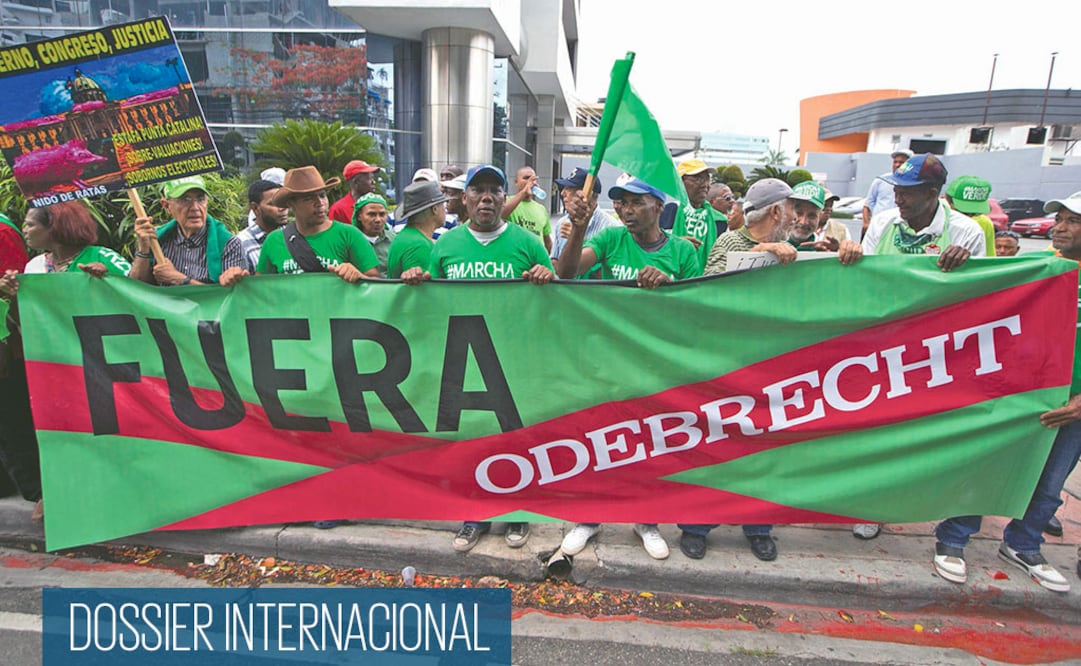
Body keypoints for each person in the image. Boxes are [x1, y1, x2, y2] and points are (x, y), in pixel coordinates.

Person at [400, 164, 553, 553]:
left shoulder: (528, 243)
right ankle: (475, 516)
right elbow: (431, 298)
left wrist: (544, 277)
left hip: (515, 359)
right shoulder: (445, 246)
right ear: (464, 199)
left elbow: (555, 300)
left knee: (517, 437)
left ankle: (518, 512)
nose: (486, 198)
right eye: (478, 190)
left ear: (505, 198)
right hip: (464, 359)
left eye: (494, 191)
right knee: (472, 440)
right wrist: (417, 278)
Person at [934, 193, 1081, 593]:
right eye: (1060, 219)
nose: (1060, 228)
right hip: (1022, 394)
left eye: (1072, 221)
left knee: (1050, 484)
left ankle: (1023, 544)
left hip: (1072, 406)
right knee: (989, 467)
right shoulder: (1036, 268)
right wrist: (966, 264)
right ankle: (954, 538)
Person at [555, 176, 700, 560]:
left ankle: (646, 520)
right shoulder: (611, 239)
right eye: (621, 203)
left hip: (656, 367)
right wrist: (579, 228)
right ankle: (588, 518)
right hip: (607, 363)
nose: (626, 210)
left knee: (649, 445)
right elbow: (566, 272)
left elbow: (698, 312)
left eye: (636, 202)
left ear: (658, 206)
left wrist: (670, 285)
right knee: (597, 441)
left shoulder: (682, 251)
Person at [0, 202, 131, 521]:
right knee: (59, 429)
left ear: (55, 227)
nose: (24, 229)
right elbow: (25, 320)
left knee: (104, 427)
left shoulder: (103, 256)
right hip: (55, 366)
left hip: (103, 362)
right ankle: (58, 491)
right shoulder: (33, 268)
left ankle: (116, 493)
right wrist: (11, 296)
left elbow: (138, 293)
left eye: (31, 224)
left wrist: (108, 281)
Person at [219, 166, 380, 288]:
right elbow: (261, 291)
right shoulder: (274, 241)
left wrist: (358, 276)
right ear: (291, 203)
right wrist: (238, 280)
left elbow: (378, 284)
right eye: (309, 198)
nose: (320, 203)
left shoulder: (349, 234)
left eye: (322, 195)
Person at [861, 154, 986, 270]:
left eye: (906, 194)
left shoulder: (966, 232)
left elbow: (974, 281)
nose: (898, 200)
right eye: (896, 192)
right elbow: (865, 272)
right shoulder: (881, 223)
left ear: (931, 194)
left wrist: (964, 264)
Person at [131, 175, 245, 286]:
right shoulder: (155, 239)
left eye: (200, 199)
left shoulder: (228, 244)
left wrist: (180, 279)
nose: (195, 208)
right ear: (166, 206)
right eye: (185, 200)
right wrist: (143, 249)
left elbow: (230, 296)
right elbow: (136, 289)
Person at [703, 178, 799, 275]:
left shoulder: (785, 248)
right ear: (775, 211)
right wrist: (757, 253)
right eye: (792, 209)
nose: (796, 217)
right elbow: (711, 280)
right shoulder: (731, 241)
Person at [549, 167, 619, 275]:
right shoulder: (562, 223)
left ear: (586, 194)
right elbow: (555, 260)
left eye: (569, 188)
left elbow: (611, 272)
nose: (562, 193)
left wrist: (576, 238)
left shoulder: (610, 227)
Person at [786, 181, 863, 263]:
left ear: (819, 216)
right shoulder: (776, 240)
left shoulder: (824, 247)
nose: (803, 222)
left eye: (812, 215)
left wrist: (844, 252)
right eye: (798, 213)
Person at [386, 180, 448, 279]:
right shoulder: (419, 245)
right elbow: (425, 287)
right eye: (443, 205)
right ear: (435, 209)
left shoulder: (407, 237)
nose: (445, 209)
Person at [672, 159, 721, 270]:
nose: (705, 185)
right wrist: (676, 244)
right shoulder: (667, 211)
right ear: (680, 181)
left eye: (707, 179)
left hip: (707, 278)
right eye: (698, 179)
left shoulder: (719, 221)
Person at [237, 179, 289, 273]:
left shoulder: (294, 236)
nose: (282, 208)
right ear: (255, 208)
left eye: (283, 202)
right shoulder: (241, 243)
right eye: (274, 204)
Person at [502, 166, 552, 252]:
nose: (531, 182)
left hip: (535, 258)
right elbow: (499, 215)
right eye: (526, 178)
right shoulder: (507, 201)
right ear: (516, 182)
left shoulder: (541, 209)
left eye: (533, 179)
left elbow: (547, 241)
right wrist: (524, 192)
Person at [862, 150, 912, 234]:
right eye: (895, 162)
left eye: (901, 162)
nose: (897, 165)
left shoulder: (913, 184)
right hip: (878, 226)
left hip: (899, 227)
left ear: (909, 165)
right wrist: (866, 224)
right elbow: (868, 204)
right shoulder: (881, 180)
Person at [944, 175, 996, 256]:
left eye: (974, 213)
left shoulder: (985, 223)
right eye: (964, 212)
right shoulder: (932, 217)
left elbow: (988, 258)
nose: (968, 217)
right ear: (947, 201)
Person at [352, 193, 395, 276]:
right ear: (359, 216)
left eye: (382, 214)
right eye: (371, 214)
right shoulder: (350, 241)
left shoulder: (394, 240)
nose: (378, 219)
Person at [329, 160, 380, 224]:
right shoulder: (339, 210)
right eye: (369, 179)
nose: (373, 182)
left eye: (373, 178)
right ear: (356, 182)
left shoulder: (377, 204)